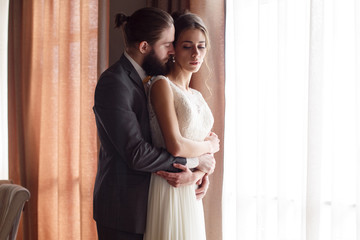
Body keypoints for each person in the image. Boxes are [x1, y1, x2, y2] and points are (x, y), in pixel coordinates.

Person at [92, 7, 217, 240]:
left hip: (159, 201)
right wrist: (192, 161)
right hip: (124, 210)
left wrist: (198, 172)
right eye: (167, 44)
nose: (172, 51)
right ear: (144, 47)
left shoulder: (151, 80)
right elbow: (137, 153)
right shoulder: (115, 83)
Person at [143, 11, 217, 240]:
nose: (196, 53)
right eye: (187, 46)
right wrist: (211, 147)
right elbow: (175, 146)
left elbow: (200, 150)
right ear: (173, 49)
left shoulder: (195, 95)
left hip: (189, 189)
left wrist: (200, 173)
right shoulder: (161, 85)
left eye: (201, 46)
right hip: (169, 187)